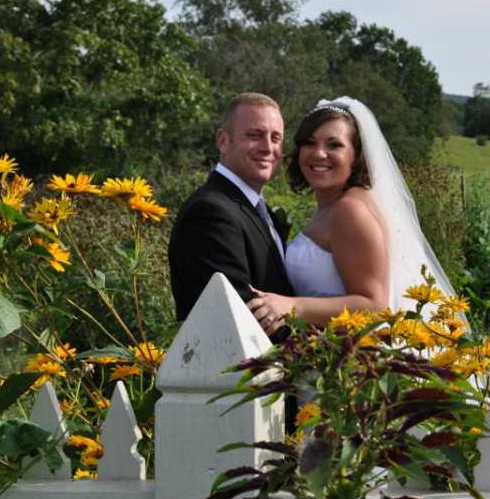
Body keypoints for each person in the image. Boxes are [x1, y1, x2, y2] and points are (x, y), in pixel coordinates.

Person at [247, 97, 455, 328]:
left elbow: (375, 306)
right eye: (309, 142)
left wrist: (292, 307)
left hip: (355, 355)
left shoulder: (350, 211)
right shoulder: (331, 206)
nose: (318, 153)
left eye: (334, 145)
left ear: (355, 155)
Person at [168, 92, 293, 323]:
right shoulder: (209, 213)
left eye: (276, 138)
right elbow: (242, 317)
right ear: (223, 141)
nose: (268, 148)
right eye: (255, 135)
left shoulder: (256, 209)